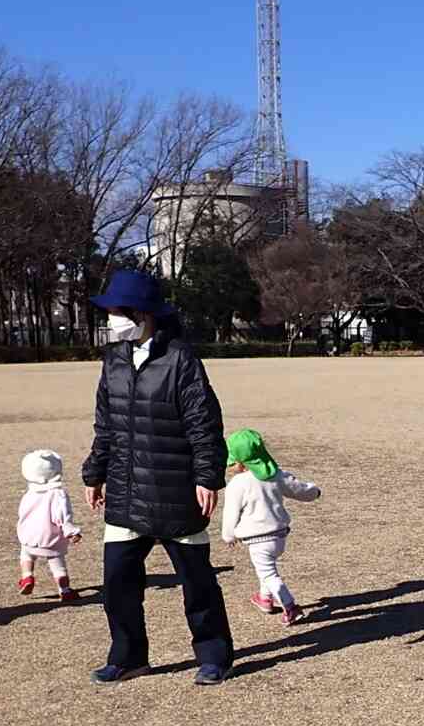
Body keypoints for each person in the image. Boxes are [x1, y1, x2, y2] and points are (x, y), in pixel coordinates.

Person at [81, 270, 233, 685]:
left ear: (142, 314)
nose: (111, 320)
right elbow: (106, 424)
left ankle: (214, 655)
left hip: (175, 489)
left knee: (197, 583)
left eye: (116, 312)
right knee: (117, 583)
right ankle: (128, 657)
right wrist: (95, 472)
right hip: (126, 492)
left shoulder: (180, 358)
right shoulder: (112, 360)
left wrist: (207, 477)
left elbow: (204, 423)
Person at [221, 428, 321, 626]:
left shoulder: (237, 484)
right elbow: (299, 489)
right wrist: (315, 492)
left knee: (268, 572)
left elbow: (230, 513)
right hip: (279, 536)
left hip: (258, 539)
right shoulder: (276, 475)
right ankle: (264, 599)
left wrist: (228, 535)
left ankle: (290, 606)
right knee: (266, 568)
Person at [17, 449, 82, 601]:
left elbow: (22, 513)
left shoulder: (30, 493)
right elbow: (62, 515)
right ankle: (64, 590)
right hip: (50, 537)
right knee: (57, 563)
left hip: (29, 535)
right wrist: (71, 531)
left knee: (26, 554)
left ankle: (27, 577)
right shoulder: (57, 494)